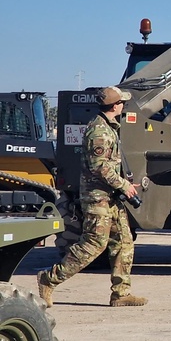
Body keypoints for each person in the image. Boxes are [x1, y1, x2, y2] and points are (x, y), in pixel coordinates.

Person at [37, 86, 147, 307]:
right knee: (94, 244)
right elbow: (99, 167)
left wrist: (121, 184)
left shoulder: (108, 127)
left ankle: (121, 293)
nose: (124, 105)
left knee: (124, 242)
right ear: (115, 106)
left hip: (111, 197)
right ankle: (49, 279)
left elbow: (108, 167)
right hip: (98, 198)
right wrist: (124, 185)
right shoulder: (99, 132)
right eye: (122, 103)